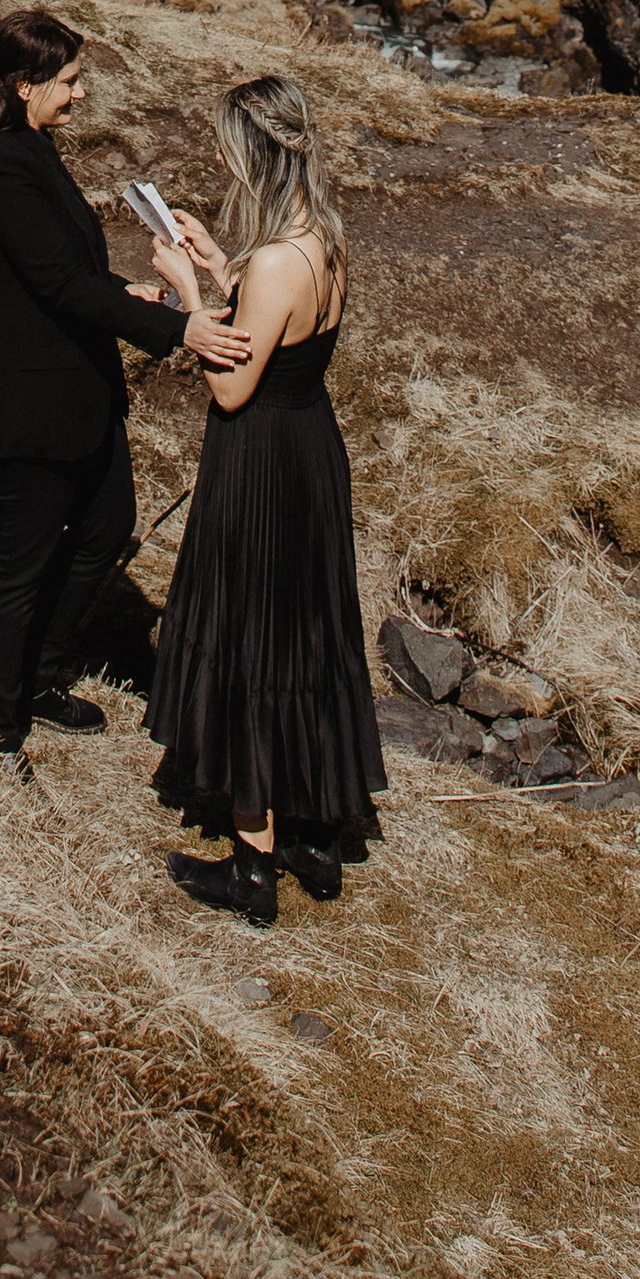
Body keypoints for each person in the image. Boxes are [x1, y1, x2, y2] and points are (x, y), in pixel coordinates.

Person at [0, 7, 251, 773]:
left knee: (106, 527)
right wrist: (179, 328)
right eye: (71, 81)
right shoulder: (0, 164)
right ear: (25, 85)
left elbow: (63, 270)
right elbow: (55, 284)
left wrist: (123, 291)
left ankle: (38, 676)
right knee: (16, 565)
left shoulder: (31, 148)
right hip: (28, 404)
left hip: (75, 396)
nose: (80, 94)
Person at [141, 72, 384, 921]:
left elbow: (232, 386)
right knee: (306, 635)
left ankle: (251, 865)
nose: (218, 161)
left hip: (262, 462)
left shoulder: (279, 261)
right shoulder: (322, 239)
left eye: (225, 149)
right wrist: (223, 265)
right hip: (310, 447)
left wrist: (191, 293)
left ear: (255, 155)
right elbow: (278, 325)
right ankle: (315, 833)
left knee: (250, 635)